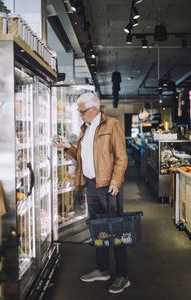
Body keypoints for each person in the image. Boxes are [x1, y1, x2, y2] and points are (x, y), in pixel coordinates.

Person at [52, 92, 130, 294]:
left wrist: (116, 181)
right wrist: (69, 147)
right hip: (91, 186)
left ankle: (123, 275)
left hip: (109, 187)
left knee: (116, 232)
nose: (80, 115)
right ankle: (102, 269)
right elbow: (83, 157)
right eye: (78, 111)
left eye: (82, 111)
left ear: (94, 108)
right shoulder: (84, 129)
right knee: (98, 230)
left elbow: (121, 157)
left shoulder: (112, 125)